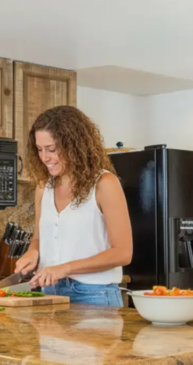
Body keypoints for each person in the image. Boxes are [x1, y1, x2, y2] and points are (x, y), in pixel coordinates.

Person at [14, 106, 133, 307]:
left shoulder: (104, 184)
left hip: (95, 295)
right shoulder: (44, 187)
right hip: (50, 293)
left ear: (74, 145)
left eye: (52, 149)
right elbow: (39, 238)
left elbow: (123, 253)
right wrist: (33, 251)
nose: (45, 158)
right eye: (39, 149)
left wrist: (65, 268)